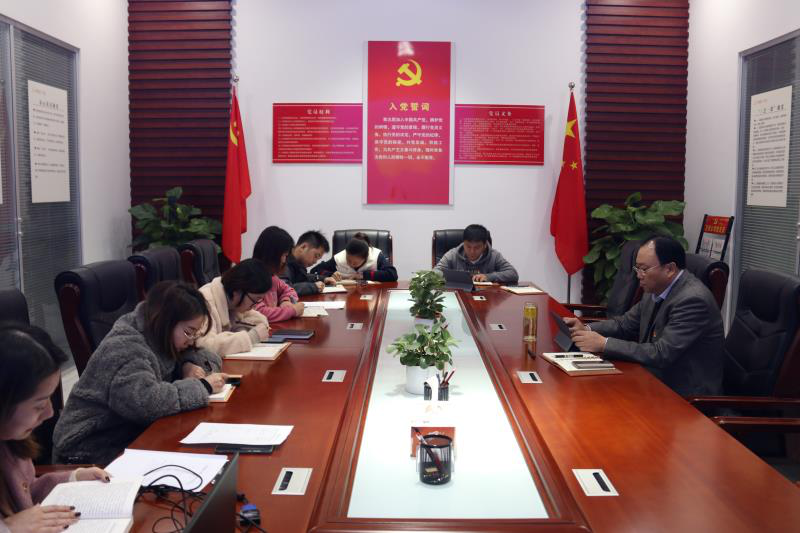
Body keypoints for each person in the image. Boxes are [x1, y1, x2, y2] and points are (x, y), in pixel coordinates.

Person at [53, 282, 227, 466]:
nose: (191, 340)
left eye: (195, 334)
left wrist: (188, 363)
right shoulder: (125, 348)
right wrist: (203, 386)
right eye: (188, 332)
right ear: (166, 321)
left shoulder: (159, 333)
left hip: (127, 433)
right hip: (87, 451)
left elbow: (207, 356)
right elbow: (148, 403)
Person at [565, 236, 724, 396]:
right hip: (652, 377)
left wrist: (604, 344)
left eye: (644, 269)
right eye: (637, 268)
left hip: (683, 393)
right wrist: (587, 329)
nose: (639, 275)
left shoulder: (692, 300)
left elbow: (662, 353)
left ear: (669, 269)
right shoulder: (656, 287)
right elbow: (624, 324)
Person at [1, 323, 110, 532]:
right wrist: (9, 528)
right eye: (39, 405)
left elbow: (26, 492)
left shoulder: (12, 444)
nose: (50, 413)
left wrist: (74, 478)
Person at [197, 259, 272, 356]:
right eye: (255, 300)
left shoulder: (234, 302)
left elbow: (260, 323)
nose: (255, 305)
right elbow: (205, 347)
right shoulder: (205, 301)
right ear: (237, 291)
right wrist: (250, 337)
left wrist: (241, 329)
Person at [433, 224, 519, 284]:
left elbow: (513, 274)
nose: (472, 251)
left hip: (486, 296)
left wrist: (489, 277)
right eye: (468, 246)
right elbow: (435, 273)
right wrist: (454, 277)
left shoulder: (494, 256)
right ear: (463, 243)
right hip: (460, 294)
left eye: (477, 247)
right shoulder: (452, 254)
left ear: (485, 245)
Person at [252, 226, 305, 321]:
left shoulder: (272, 277)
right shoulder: (252, 278)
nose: (284, 260)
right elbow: (259, 313)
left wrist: (285, 300)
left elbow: (290, 290)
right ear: (272, 253)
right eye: (284, 255)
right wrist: (292, 311)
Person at [312, 232, 398, 282]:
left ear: (365, 258)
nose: (351, 264)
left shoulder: (375, 256)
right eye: (348, 260)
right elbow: (315, 271)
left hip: (372, 294)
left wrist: (363, 275)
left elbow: (392, 274)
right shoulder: (339, 258)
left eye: (355, 263)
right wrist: (330, 275)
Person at [281, 230, 335, 295]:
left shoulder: (297, 264)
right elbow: (284, 289)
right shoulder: (283, 261)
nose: (315, 262)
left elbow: (304, 277)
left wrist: (324, 279)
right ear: (303, 247)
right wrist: (313, 287)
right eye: (316, 256)